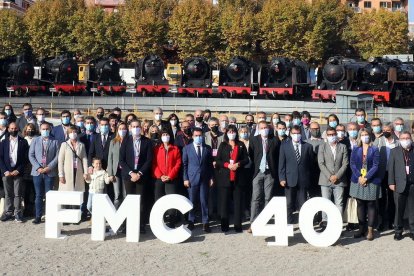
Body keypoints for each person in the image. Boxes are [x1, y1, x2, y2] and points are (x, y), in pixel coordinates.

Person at [119, 120, 153, 234]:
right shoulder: (125, 141)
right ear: (130, 128)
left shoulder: (147, 142)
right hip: (128, 175)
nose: (135, 128)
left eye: (137, 126)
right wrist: (131, 173)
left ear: (141, 127)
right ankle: (127, 224)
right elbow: (121, 160)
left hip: (141, 176)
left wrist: (139, 173)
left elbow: (149, 160)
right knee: (129, 200)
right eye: (133, 126)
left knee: (141, 201)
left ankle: (141, 224)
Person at [248, 121, 280, 232]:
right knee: (256, 198)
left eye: (265, 127)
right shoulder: (254, 139)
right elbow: (251, 155)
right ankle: (253, 223)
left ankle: (265, 222)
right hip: (258, 172)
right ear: (258, 129)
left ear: (269, 128)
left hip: (270, 172)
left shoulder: (275, 140)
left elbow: (277, 156)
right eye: (262, 128)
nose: (264, 129)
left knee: (268, 198)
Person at [216, 125, 249, 232]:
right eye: (229, 131)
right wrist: (227, 165)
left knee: (238, 203)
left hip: (238, 178)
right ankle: (224, 225)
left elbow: (246, 159)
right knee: (224, 203)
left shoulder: (241, 144)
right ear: (226, 133)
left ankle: (237, 225)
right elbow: (218, 160)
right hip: (225, 178)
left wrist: (238, 164)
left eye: (233, 131)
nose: (232, 133)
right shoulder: (223, 145)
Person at [349, 128, 381, 241]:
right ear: (359, 136)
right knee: (360, 203)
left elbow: (376, 165)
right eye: (362, 134)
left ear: (370, 135)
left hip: (371, 179)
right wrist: (359, 177)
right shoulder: (356, 148)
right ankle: (361, 228)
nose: (364, 136)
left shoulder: (375, 149)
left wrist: (366, 177)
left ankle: (370, 230)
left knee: (371, 204)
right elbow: (352, 164)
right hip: (358, 179)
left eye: (366, 134)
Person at [279, 125, 314, 224]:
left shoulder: (308, 147)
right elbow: (281, 164)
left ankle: (303, 223)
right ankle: (288, 223)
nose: (296, 135)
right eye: (294, 133)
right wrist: (282, 178)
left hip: (303, 180)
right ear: (290, 134)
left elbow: (311, 165)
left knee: (303, 204)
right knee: (289, 203)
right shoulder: (284, 146)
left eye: (298, 133)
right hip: (289, 179)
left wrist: (309, 178)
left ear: (301, 134)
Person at [182, 127, 214, 232]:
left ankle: (205, 222)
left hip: (204, 178)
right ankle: (191, 221)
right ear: (192, 136)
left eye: (200, 136)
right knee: (192, 201)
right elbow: (185, 165)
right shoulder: (187, 148)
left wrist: (211, 177)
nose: (198, 137)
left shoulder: (207, 148)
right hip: (192, 179)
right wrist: (185, 178)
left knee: (204, 201)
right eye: (196, 136)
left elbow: (210, 165)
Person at [317, 127, 349, 229]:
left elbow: (345, 163)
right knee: (325, 202)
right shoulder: (322, 147)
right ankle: (325, 222)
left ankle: (337, 223)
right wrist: (330, 176)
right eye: (329, 135)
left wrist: (337, 176)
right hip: (325, 179)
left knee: (339, 202)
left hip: (339, 180)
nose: (332, 136)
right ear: (326, 136)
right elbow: (321, 163)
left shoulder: (343, 147)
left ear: (336, 134)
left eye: (333, 134)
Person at [28, 123, 59, 224]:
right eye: (43, 129)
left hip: (49, 171)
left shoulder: (55, 141)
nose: (45, 130)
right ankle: (38, 216)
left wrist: (49, 167)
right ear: (40, 130)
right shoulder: (35, 140)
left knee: (49, 195)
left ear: (50, 130)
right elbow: (31, 155)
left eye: (47, 129)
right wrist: (38, 167)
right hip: (37, 172)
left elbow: (57, 156)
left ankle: (49, 215)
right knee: (38, 195)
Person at [152, 129, 182, 227]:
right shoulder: (156, 149)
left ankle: (172, 220)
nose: (166, 136)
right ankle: (160, 219)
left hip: (171, 179)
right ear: (161, 136)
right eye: (164, 134)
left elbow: (178, 163)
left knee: (171, 199)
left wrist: (170, 175)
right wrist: (160, 175)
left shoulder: (175, 149)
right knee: (159, 199)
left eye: (167, 134)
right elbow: (154, 164)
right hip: (159, 178)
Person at [0, 122, 29, 222]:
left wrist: (18, 170)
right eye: (11, 128)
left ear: (18, 129)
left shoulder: (23, 142)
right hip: (6, 172)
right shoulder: (3, 143)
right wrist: (5, 171)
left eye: (15, 128)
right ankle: (8, 212)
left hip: (18, 172)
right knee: (8, 194)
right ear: (8, 129)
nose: (13, 130)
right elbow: (0, 158)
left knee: (17, 194)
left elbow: (26, 159)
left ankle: (18, 213)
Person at [388, 131, 414, 240]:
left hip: (412, 184)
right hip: (399, 185)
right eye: (403, 138)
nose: (405, 140)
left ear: (411, 139)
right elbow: (391, 169)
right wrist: (391, 182)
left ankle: (412, 230)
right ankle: (398, 230)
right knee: (399, 209)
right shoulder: (394, 151)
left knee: (413, 209)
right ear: (399, 139)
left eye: (407, 138)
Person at [375, 122, 398, 231]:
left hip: (393, 174)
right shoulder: (379, 141)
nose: (385, 132)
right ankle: (381, 222)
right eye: (383, 130)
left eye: (387, 130)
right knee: (381, 198)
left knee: (392, 199)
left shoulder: (397, 142)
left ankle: (391, 221)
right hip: (381, 174)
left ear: (392, 131)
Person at [204, 117, 224, 220]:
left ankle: (221, 213)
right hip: (208, 166)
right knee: (210, 191)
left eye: (216, 125)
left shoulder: (223, 136)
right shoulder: (205, 136)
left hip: (220, 167)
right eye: (212, 125)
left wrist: (218, 161)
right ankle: (210, 212)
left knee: (220, 190)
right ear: (208, 126)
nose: (214, 127)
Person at [58, 126, 88, 192]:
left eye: (74, 132)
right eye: (71, 132)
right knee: (67, 193)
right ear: (68, 134)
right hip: (67, 172)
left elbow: (84, 159)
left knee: (78, 192)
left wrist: (86, 172)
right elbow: (60, 161)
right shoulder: (64, 144)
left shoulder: (81, 145)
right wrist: (61, 175)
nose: (73, 133)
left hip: (78, 171)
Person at [107, 122, 128, 209]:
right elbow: (110, 158)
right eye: (120, 129)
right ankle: (116, 213)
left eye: (124, 129)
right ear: (117, 130)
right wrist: (110, 174)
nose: (122, 131)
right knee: (117, 194)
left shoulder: (130, 141)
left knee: (125, 194)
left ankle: (125, 215)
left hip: (126, 171)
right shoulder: (113, 142)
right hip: (116, 171)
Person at [22, 123, 36, 217]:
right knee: (26, 190)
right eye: (28, 129)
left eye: (31, 129)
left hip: (35, 167)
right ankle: (26, 209)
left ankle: (32, 209)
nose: (30, 131)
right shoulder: (23, 140)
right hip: (25, 168)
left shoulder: (37, 139)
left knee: (34, 191)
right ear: (25, 130)